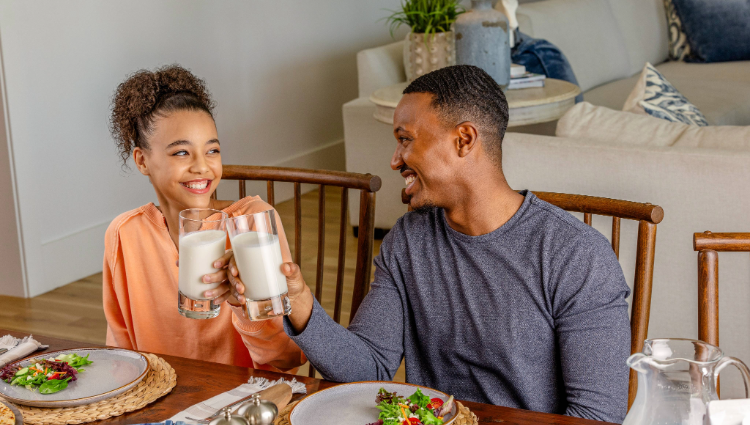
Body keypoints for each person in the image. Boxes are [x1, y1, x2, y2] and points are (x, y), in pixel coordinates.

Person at [230, 65, 631, 421]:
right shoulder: (410, 239)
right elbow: (368, 368)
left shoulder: (576, 255)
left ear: (464, 140)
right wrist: (299, 304)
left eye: (405, 139)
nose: (394, 159)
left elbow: (596, 416)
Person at [104, 65, 304, 372]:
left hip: (243, 405)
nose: (202, 166)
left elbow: (286, 359)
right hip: (159, 406)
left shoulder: (253, 224)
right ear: (143, 160)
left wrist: (243, 306)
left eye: (212, 150)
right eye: (182, 153)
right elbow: (120, 358)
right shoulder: (125, 234)